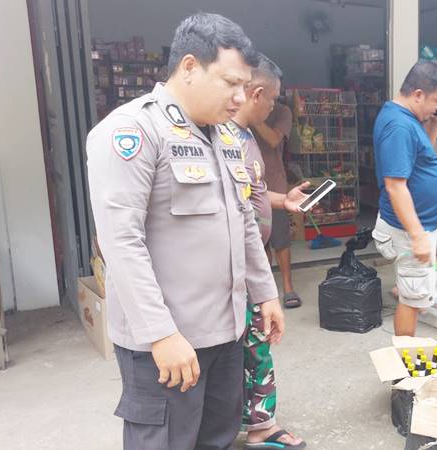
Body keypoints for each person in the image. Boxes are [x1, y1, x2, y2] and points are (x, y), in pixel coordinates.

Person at [86, 13, 285, 450]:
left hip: (226, 331)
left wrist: (264, 292)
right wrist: (161, 334)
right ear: (190, 67)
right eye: (230, 83)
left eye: (244, 86)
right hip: (169, 342)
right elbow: (120, 242)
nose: (240, 97)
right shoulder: (133, 130)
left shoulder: (227, 137)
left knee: (216, 437)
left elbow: (245, 219)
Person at [226, 53, 307, 450]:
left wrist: (283, 200)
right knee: (242, 349)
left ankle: (259, 423)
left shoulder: (245, 139)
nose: (275, 106)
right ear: (257, 93)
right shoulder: (218, 139)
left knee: (257, 344)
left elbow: (253, 195)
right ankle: (250, 425)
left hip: (252, 267)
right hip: (230, 272)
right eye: (273, 99)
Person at [371, 60, 437, 337]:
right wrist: (417, 236)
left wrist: (435, 122)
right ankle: (404, 371)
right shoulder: (398, 126)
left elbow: (423, 153)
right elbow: (395, 186)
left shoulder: (410, 120)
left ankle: (416, 278)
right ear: (417, 94)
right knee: (412, 302)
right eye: (436, 100)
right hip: (410, 226)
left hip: (431, 220)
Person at [252, 94, 302, 309]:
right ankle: (267, 290)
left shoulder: (282, 112)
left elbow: (273, 139)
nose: (272, 100)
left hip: (275, 186)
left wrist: (253, 118)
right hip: (251, 187)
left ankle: (288, 288)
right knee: (259, 242)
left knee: (280, 241)